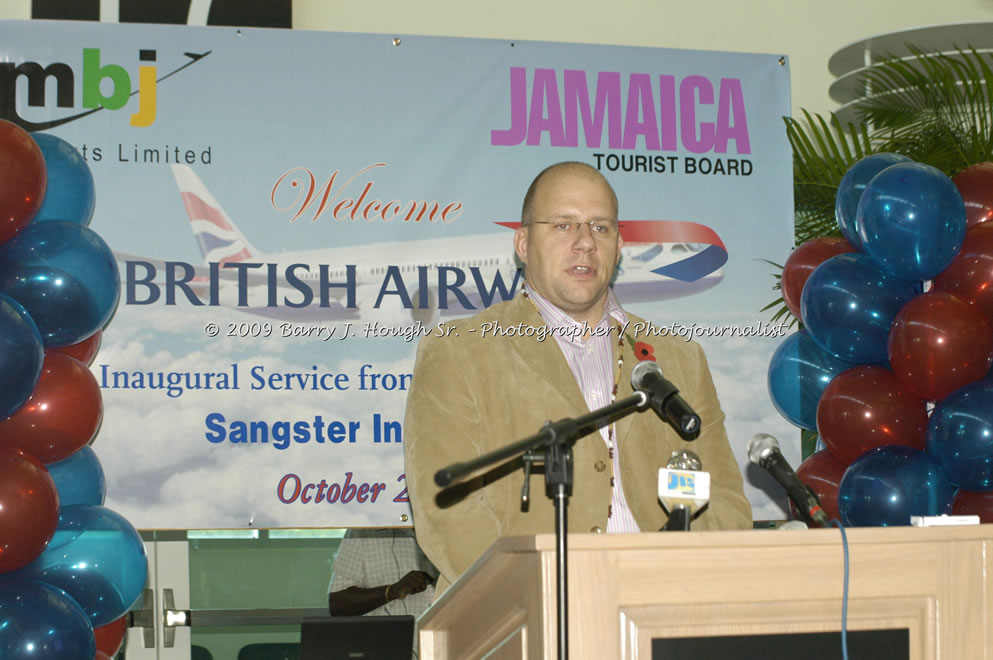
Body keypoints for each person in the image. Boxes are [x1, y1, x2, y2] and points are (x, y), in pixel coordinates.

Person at [403, 161, 752, 595]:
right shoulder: (458, 350)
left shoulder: (680, 359)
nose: (585, 242)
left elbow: (723, 501)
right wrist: (559, 601)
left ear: (619, 245)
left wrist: (685, 595)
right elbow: (449, 516)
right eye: (564, 225)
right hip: (522, 615)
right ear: (524, 243)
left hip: (663, 610)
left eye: (601, 228)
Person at [327, 528, 439, 618]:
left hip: (450, 641)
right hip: (394, 643)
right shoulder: (364, 533)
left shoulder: (451, 528)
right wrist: (392, 590)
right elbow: (338, 603)